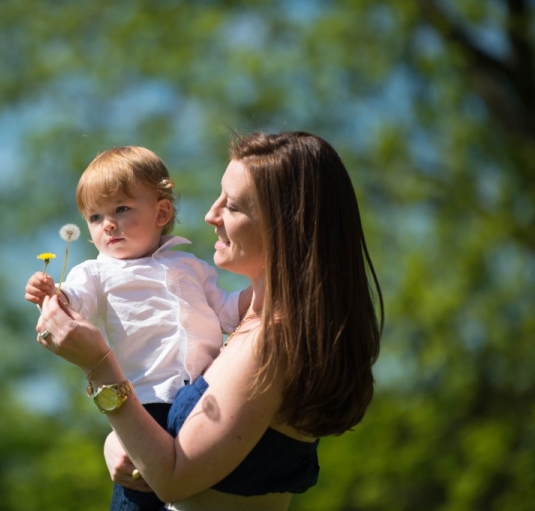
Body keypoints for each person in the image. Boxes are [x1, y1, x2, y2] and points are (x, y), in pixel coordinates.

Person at [34, 131, 383, 510]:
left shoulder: (273, 341)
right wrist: (121, 439)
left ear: (284, 224)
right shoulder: (249, 328)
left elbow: (174, 479)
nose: (210, 215)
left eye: (231, 206)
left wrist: (100, 366)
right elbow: (184, 440)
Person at [25, 146, 251, 511]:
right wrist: (52, 294)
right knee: (137, 497)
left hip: (205, 399)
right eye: (95, 217)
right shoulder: (96, 272)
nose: (108, 224)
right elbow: (73, 303)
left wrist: (264, 289)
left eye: (121, 210)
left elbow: (227, 313)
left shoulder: (191, 265)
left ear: (161, 212)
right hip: (144, 406)